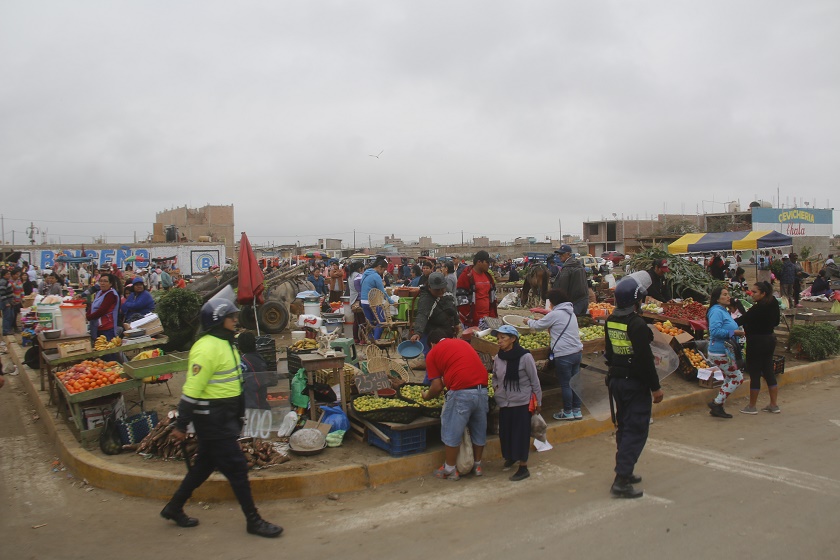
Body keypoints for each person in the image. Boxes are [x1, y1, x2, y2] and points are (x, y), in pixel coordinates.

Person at [161, 300, 282, 538]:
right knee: (237, 468)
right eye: (231, 317)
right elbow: (192, 389)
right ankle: (253, 520)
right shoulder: (206, 348)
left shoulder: (226, 342)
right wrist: (182, 424)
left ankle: (174, 507)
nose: (235, 320)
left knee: (203, 467)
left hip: (224, 417)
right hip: (212, 419)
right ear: (218, 320)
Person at [604, 276, 664, 498]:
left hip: (617, 382)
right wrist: (655, 388)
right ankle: (621, 479)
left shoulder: (611, 320)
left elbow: (609, 353)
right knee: (635, 429)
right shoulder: (636, 323)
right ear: (637, 300)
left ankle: (625, 471)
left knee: (624, 427)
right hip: (634, 384)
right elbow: (645, 359)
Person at [422, 329, 489, 480]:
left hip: (461, 393)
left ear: (432, 344)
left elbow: (437, 386)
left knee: (451, 430)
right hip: (482, 390)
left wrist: (426, 396)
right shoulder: (462, 343)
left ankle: (450, 469)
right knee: (479, 429)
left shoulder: (433, 353)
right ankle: (478, 465)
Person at [491, 325, 541, 481]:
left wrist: (538, 400)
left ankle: (523, 467)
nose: (499, 341)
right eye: (498, 338)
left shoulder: (525, 357)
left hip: (521, 402)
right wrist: (496, 388)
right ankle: (511, 456)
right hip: (504, 402)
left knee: (520, 434)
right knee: (506, 433)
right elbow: (494, 376)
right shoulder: (498, 357)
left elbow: (534, 380)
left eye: (503, 338)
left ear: (513, 339)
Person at [524, 289, 583, 420]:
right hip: (577, 353)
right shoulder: (571, 313)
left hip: (564, 354)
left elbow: (538, 326)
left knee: (566, 384)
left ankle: (568, 412)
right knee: (575, 383)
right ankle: (577, 411)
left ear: (553, 302)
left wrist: (527, 321)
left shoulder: (555, 314)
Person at [736, 281, 781, 414]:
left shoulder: (758, 308)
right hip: (769, 340)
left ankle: (752, 406)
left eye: (755, 292)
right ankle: (774, 404)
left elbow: (741, 320)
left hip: (756, 342)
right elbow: (777, 321)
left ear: (763, 293)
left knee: (755, 373)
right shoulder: (773, 303)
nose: (752, 294)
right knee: (768, 371)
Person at [706, 286, 745, 418]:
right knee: (737, 378)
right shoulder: (716, 311)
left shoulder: (723, 310)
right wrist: (733, 332)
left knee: (729, 377)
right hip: (719, 351)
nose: (728, 297)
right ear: (717, 298)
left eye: (728, 294)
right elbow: (715, 331)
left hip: (725, 351)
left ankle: (718, 408)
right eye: (724, 294)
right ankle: (716, 403)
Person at [410, 272, 459, 357]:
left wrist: (456, 322)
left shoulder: (447, 291)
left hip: (446, 331)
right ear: (429, 288)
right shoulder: (426, 299)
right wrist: (417, 332)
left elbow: (452, 307)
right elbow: (422, 315)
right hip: (431, 333)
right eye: (437, 289)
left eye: (442, 288)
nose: (440, 291)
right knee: (432, 357)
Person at [456, 250, 498, 327]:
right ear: (479, 262)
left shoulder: (488, 277)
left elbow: (492, 297)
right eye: (487, 262)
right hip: (472, 321)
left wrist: (493, 316)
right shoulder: (466, 276)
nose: (489, 265)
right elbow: (461, 301)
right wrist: (470, 318)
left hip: (488, 319)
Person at [551, 245, 589, 316]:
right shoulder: (578, 265)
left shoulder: (567, 268)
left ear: (568, 254)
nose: (559, 256)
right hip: (584, 300)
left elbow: (562, 288)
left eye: (562, 254)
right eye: (559, 254)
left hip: (574, 303)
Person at [238, 331, 270, 411]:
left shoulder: (243, 362)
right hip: (261, 402)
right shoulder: (259, 358)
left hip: (251, 406)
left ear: (240, 346)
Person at [360, 257, 389, 340]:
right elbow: (383, 292)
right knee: (381, 321)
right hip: (372, 302)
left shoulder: (365, 274)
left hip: (363, 301)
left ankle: (370, 340)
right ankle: (376, 340)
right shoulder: (376, 276)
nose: (383, 272)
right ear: (379, 267)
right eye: (384, 269)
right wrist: (390, 301)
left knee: (371, 323)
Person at [87, 274, 121, 343]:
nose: (102, 283)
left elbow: (102, 310)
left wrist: (88, 317)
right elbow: (93, 305)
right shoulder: (99, 292)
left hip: (107, 328)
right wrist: (87, 314)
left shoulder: (111, 294)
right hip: (97, 327)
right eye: (101, 281)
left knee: (108, 349)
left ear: (111, 283)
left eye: (105, 281)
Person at [347, 261, 366, 343]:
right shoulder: (359, 276)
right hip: (359, 300)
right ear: (360, 269)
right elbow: (361, 289)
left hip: (353, 300)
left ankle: (355, 338)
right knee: (363, 321)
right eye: (363, 269)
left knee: (356, 321)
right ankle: (363, 339)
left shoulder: (350, 276)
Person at [0, 269, 13, 336]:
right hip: (5, 302)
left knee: (9, 316)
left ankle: (8, 329)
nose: (9, 275)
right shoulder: (3, 282)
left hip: (8, 301)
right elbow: (2, 293)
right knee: (7, 316)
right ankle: (6, 330)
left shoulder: (6, 281)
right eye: (7, 274)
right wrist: (6, 302)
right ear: (4, 275)